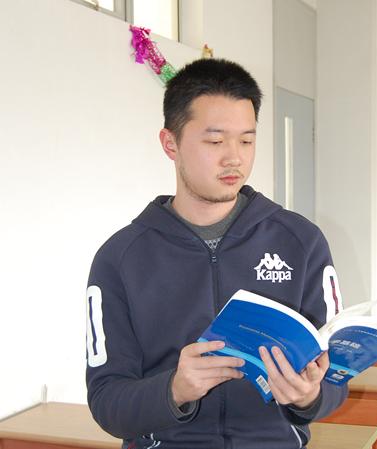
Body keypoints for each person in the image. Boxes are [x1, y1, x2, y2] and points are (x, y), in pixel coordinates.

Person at [86, 58, 348, 449]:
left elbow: (336, 376)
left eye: (246, 140)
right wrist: (175, 390)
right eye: (214, 141)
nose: (234, 158)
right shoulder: (120, 258)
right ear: (170, 143)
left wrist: (310, 396)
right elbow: (107, 402)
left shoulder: (301, 242)